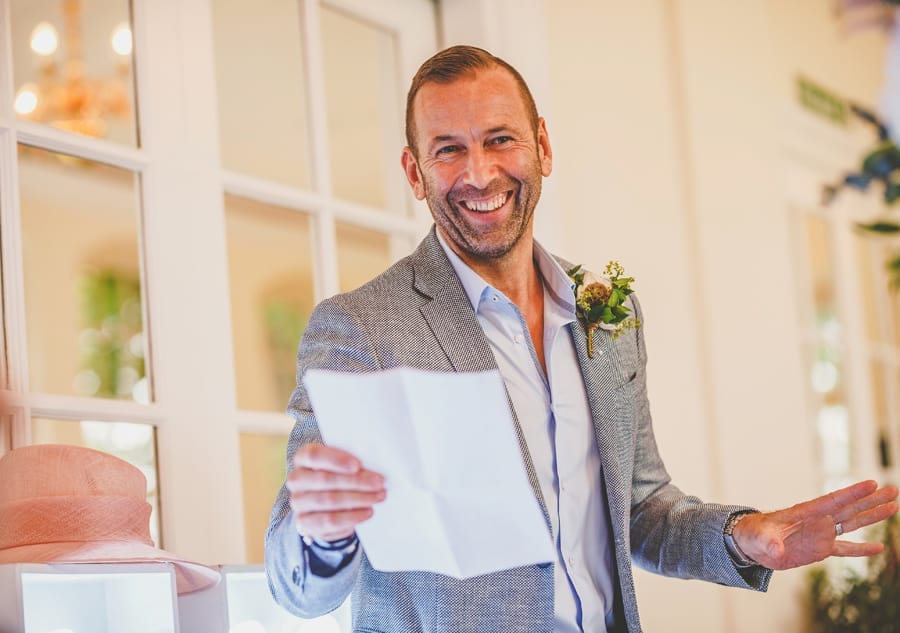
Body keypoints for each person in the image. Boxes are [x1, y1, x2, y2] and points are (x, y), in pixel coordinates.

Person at [265, 45, 899, 633]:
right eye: (448, 149)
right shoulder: (359, 329)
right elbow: (296, 588)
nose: (479, 173)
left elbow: (644, 512)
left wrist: (743, 536)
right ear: (414, 171)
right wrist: (324, 535)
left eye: (500, 139)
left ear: (542, 146)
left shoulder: (609, 313)